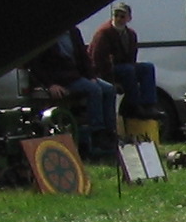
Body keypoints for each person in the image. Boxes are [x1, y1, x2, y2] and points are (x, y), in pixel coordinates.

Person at [28, 25, 120, 154]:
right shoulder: (44, 35)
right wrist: (50, 85)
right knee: (94, 90)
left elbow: (84, 56)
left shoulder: (73, 31)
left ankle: (110, 131)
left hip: (78, 75)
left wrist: (91, 76)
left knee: (109, 89)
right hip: (61, 79)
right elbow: (36, 65)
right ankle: (97, 132)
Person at [89, 3, 157, 132]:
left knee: (147, 67)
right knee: (128, 70)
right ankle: (133, 106)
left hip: (125, 68)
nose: (119, 19)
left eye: (122, 16)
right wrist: (111, 81)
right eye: (116, 15)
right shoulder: (104, 33)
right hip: (106, 71)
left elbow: (132, 58)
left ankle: (148, 105)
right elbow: (97, 60)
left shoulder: (131, 34)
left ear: (129, 18)